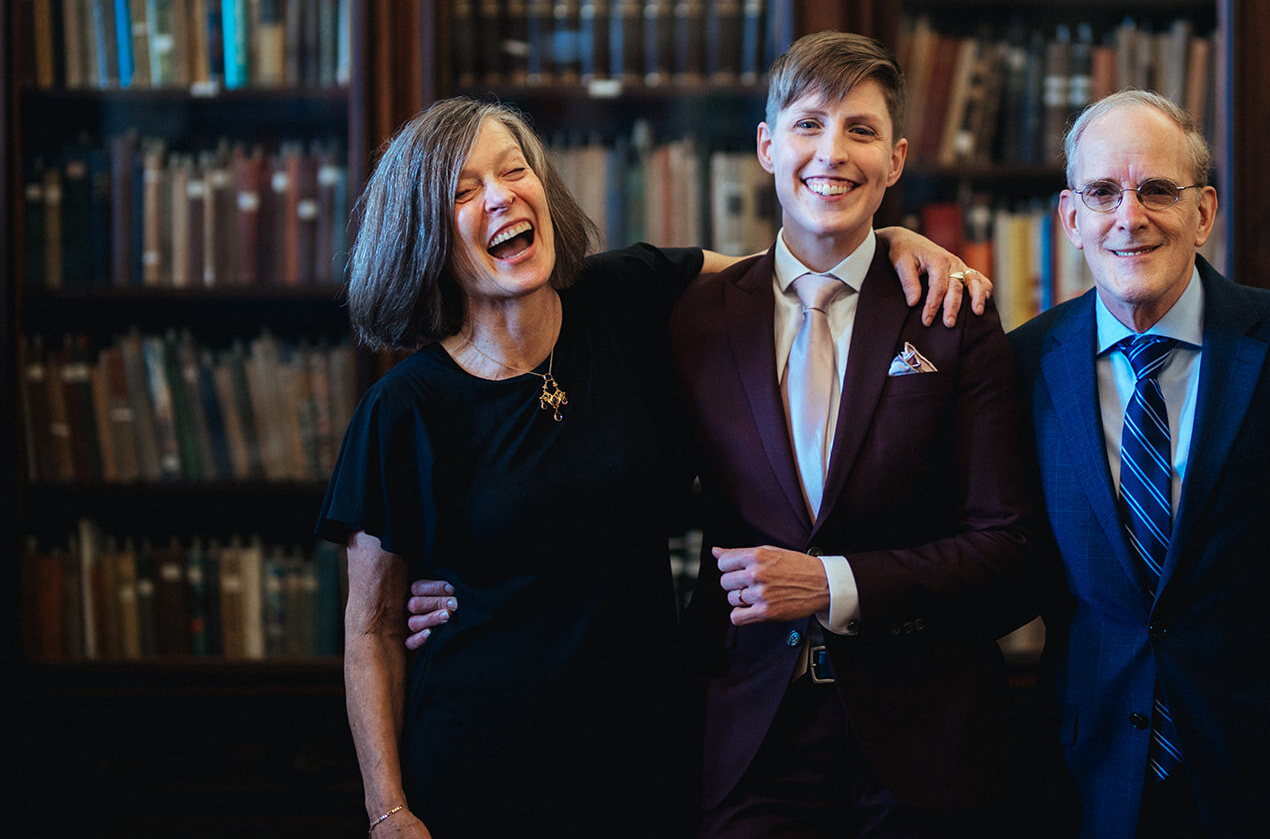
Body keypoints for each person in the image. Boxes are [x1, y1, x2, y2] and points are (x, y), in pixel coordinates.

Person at [315, 96, 982, 838]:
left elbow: (791, 271)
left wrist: (888, 238)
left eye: (514, 170)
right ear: (425, 236)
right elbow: (372, 628)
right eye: (464, 191)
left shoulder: (624, 297)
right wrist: (388, 809)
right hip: (483, 766)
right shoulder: (404, 408)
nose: (502, 195)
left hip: (648, 746)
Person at [1007, 90, 1270, 839]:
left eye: (1157, 190)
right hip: (1087, 781)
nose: (1129, 216)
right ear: (1071, 218)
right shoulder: (1020, 364)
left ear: (1204, 212)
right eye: (1103, 192)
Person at [669, 31, 1041, 836]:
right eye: (807, 124)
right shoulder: (695, 319)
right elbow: (622, 489)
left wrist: (834, 585)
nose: (831, 152)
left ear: (897, 159)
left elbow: (1010, 546)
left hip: (927, 744)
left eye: (861, 130)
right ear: (767, 146)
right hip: (748, 738)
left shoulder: (954, 313)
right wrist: (473, 585)